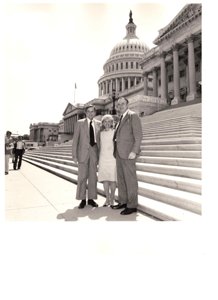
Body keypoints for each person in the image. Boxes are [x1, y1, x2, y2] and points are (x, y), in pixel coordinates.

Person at [111, 97, 142, 215]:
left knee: (130, 180)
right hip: (119, 153)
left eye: (123, 103)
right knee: (122, 179)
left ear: (127, 104)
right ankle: (123, 201)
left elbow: (138, 135)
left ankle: (132, 205)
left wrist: (134, 151)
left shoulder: (132, 116)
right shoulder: (120, 118)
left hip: (129, 153)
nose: (120, 106)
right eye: (118, 104)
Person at [72, 104, 101, 209]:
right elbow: (75, 141)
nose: (90, 113)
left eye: (92, 111)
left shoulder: (99, 124)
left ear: (95, 112)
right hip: (82, 155)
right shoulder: (80, 123)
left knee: (93, 178)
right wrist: (74, 155)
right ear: (85, 113)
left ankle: (91, 199)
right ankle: (82, 199)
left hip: (94, 155)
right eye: (88, 111)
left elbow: (100, 141)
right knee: (82, 178)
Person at [98, 114, 117, 207]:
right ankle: (107, 198)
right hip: (103, 158)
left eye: (109, 121)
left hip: (113, 158)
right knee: (105, 179)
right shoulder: (100, 133)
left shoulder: (115, 132)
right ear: (103, 123)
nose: (107, 123)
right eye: (105, 121)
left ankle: (113, 198)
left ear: (112, 123)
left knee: (113, 179)